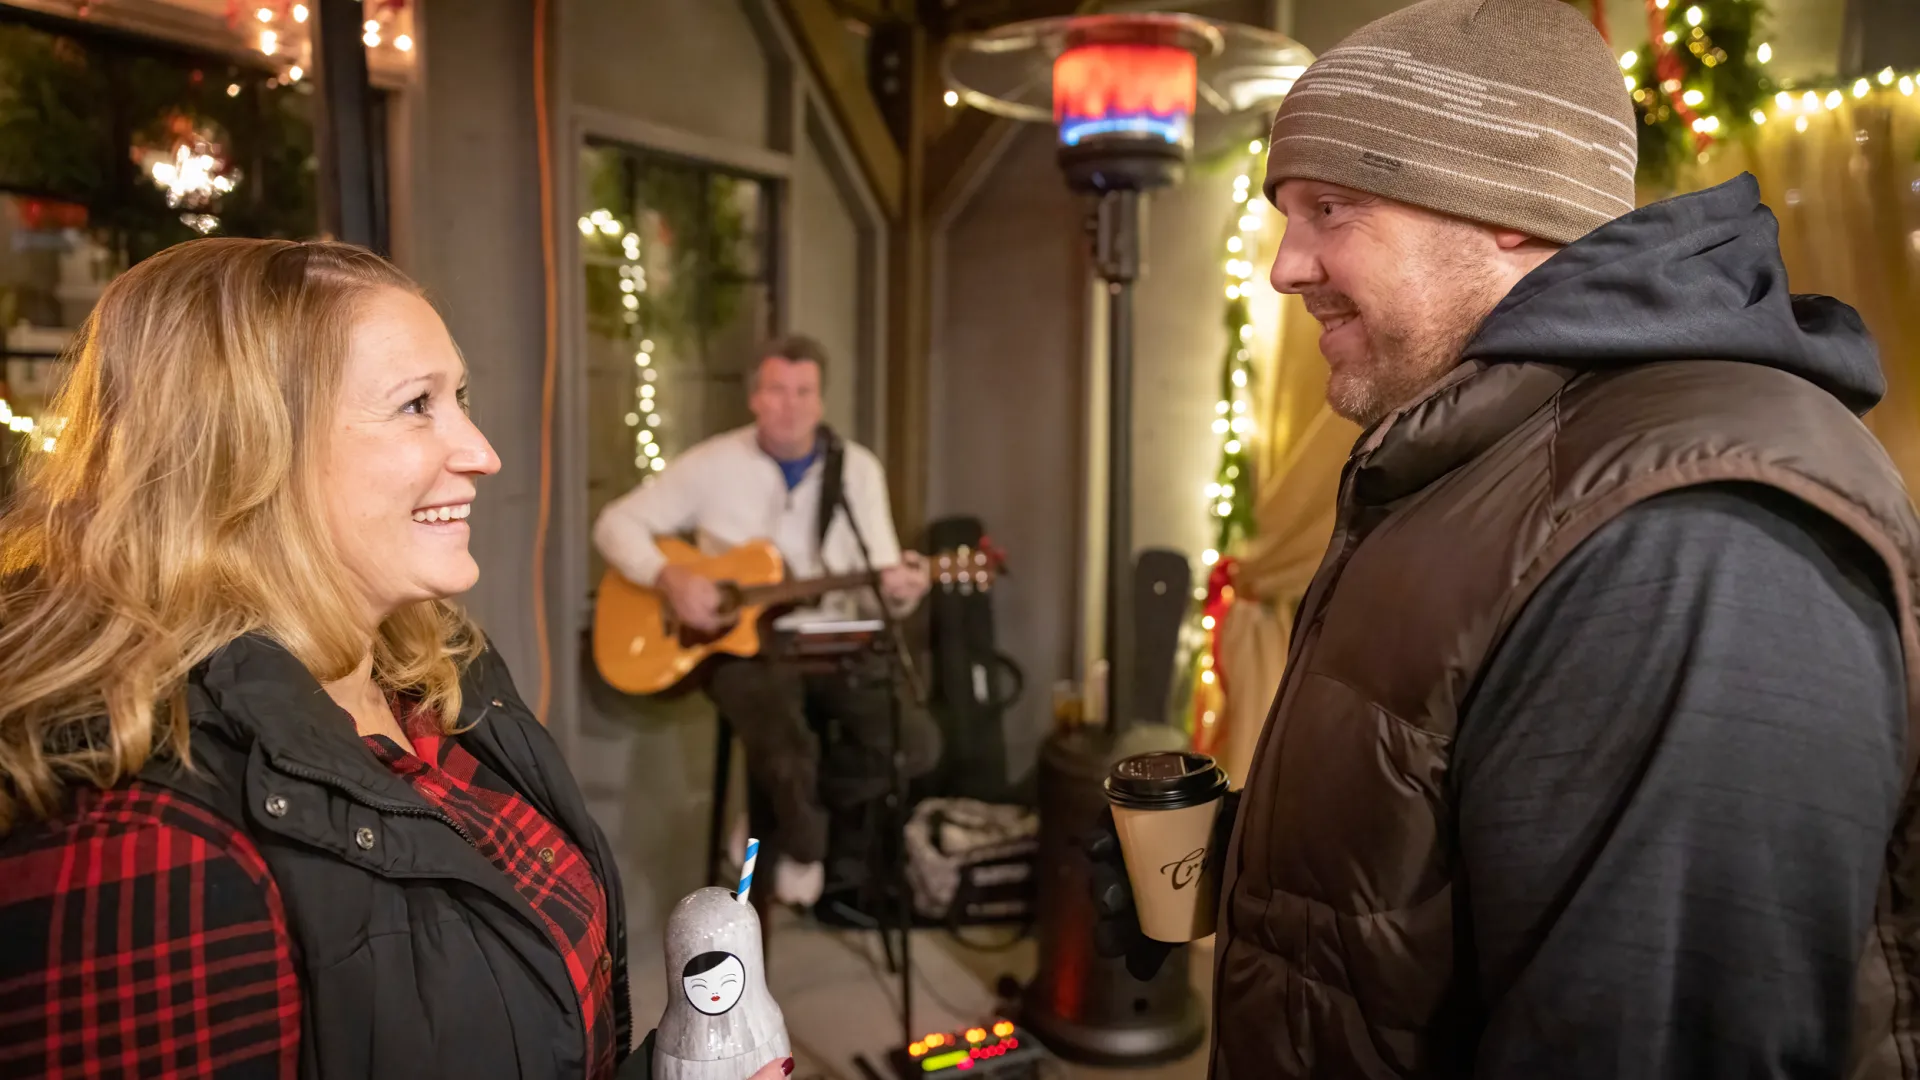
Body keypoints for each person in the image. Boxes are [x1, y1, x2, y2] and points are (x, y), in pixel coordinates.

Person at [1103, 0, 1920, 1076]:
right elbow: (1458, 844)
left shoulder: (1689, 539)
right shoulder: (1484, 457)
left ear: (1508, 210)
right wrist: (1230, 864)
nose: (1285, 267)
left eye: (1332, 209)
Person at [0, 238, 790, 1080]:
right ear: (245, 450)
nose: (482, 450)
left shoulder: (440, 676)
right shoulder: (140, 853)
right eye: (418, 405)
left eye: (460, 398)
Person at [593, 334, 939, 909]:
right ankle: (802, 839)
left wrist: (904, 592)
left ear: (821, 400)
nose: (791, 405)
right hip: (739, 648)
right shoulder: (712, 464)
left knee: (916, 744)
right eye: (777, 390)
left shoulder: (855, 472)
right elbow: (614, 524)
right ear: (754, 397)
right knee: (782, 744)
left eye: (804, 392)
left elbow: (882, 588)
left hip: (831, 640)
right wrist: (669, 577)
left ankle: (779, 811)